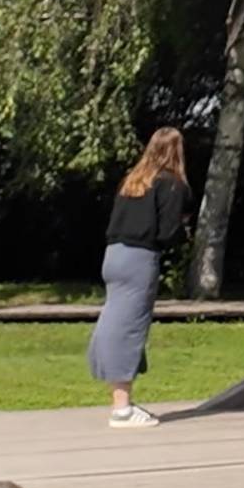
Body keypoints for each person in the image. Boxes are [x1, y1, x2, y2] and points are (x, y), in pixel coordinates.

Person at [91, 125, 190, 427]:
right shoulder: (172, 183)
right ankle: (122, 408)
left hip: (113, 255)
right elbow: (168, 231)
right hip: (139, 259)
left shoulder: (133, 181)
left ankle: (117, 395)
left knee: (113, 320)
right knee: (130, 328)